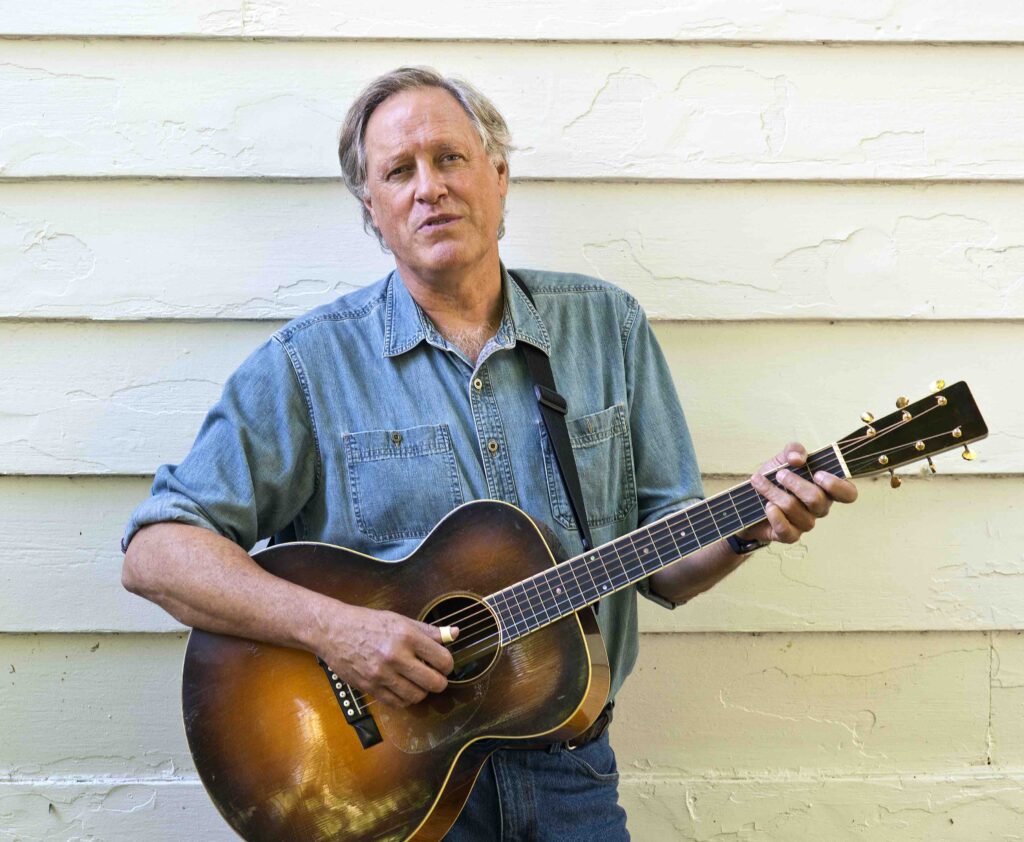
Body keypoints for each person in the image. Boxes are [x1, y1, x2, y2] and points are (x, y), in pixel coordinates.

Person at [121, 66, 858, 840]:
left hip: (572, 772)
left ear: (498, 176)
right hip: (387, 791)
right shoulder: (308, 366)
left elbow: (664, 559)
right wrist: (340, 631)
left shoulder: (607, 328)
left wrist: (749, 526)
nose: (428, 187)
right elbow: (157, 554)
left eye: (449, 158)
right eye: (398, 172)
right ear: (372, 208)